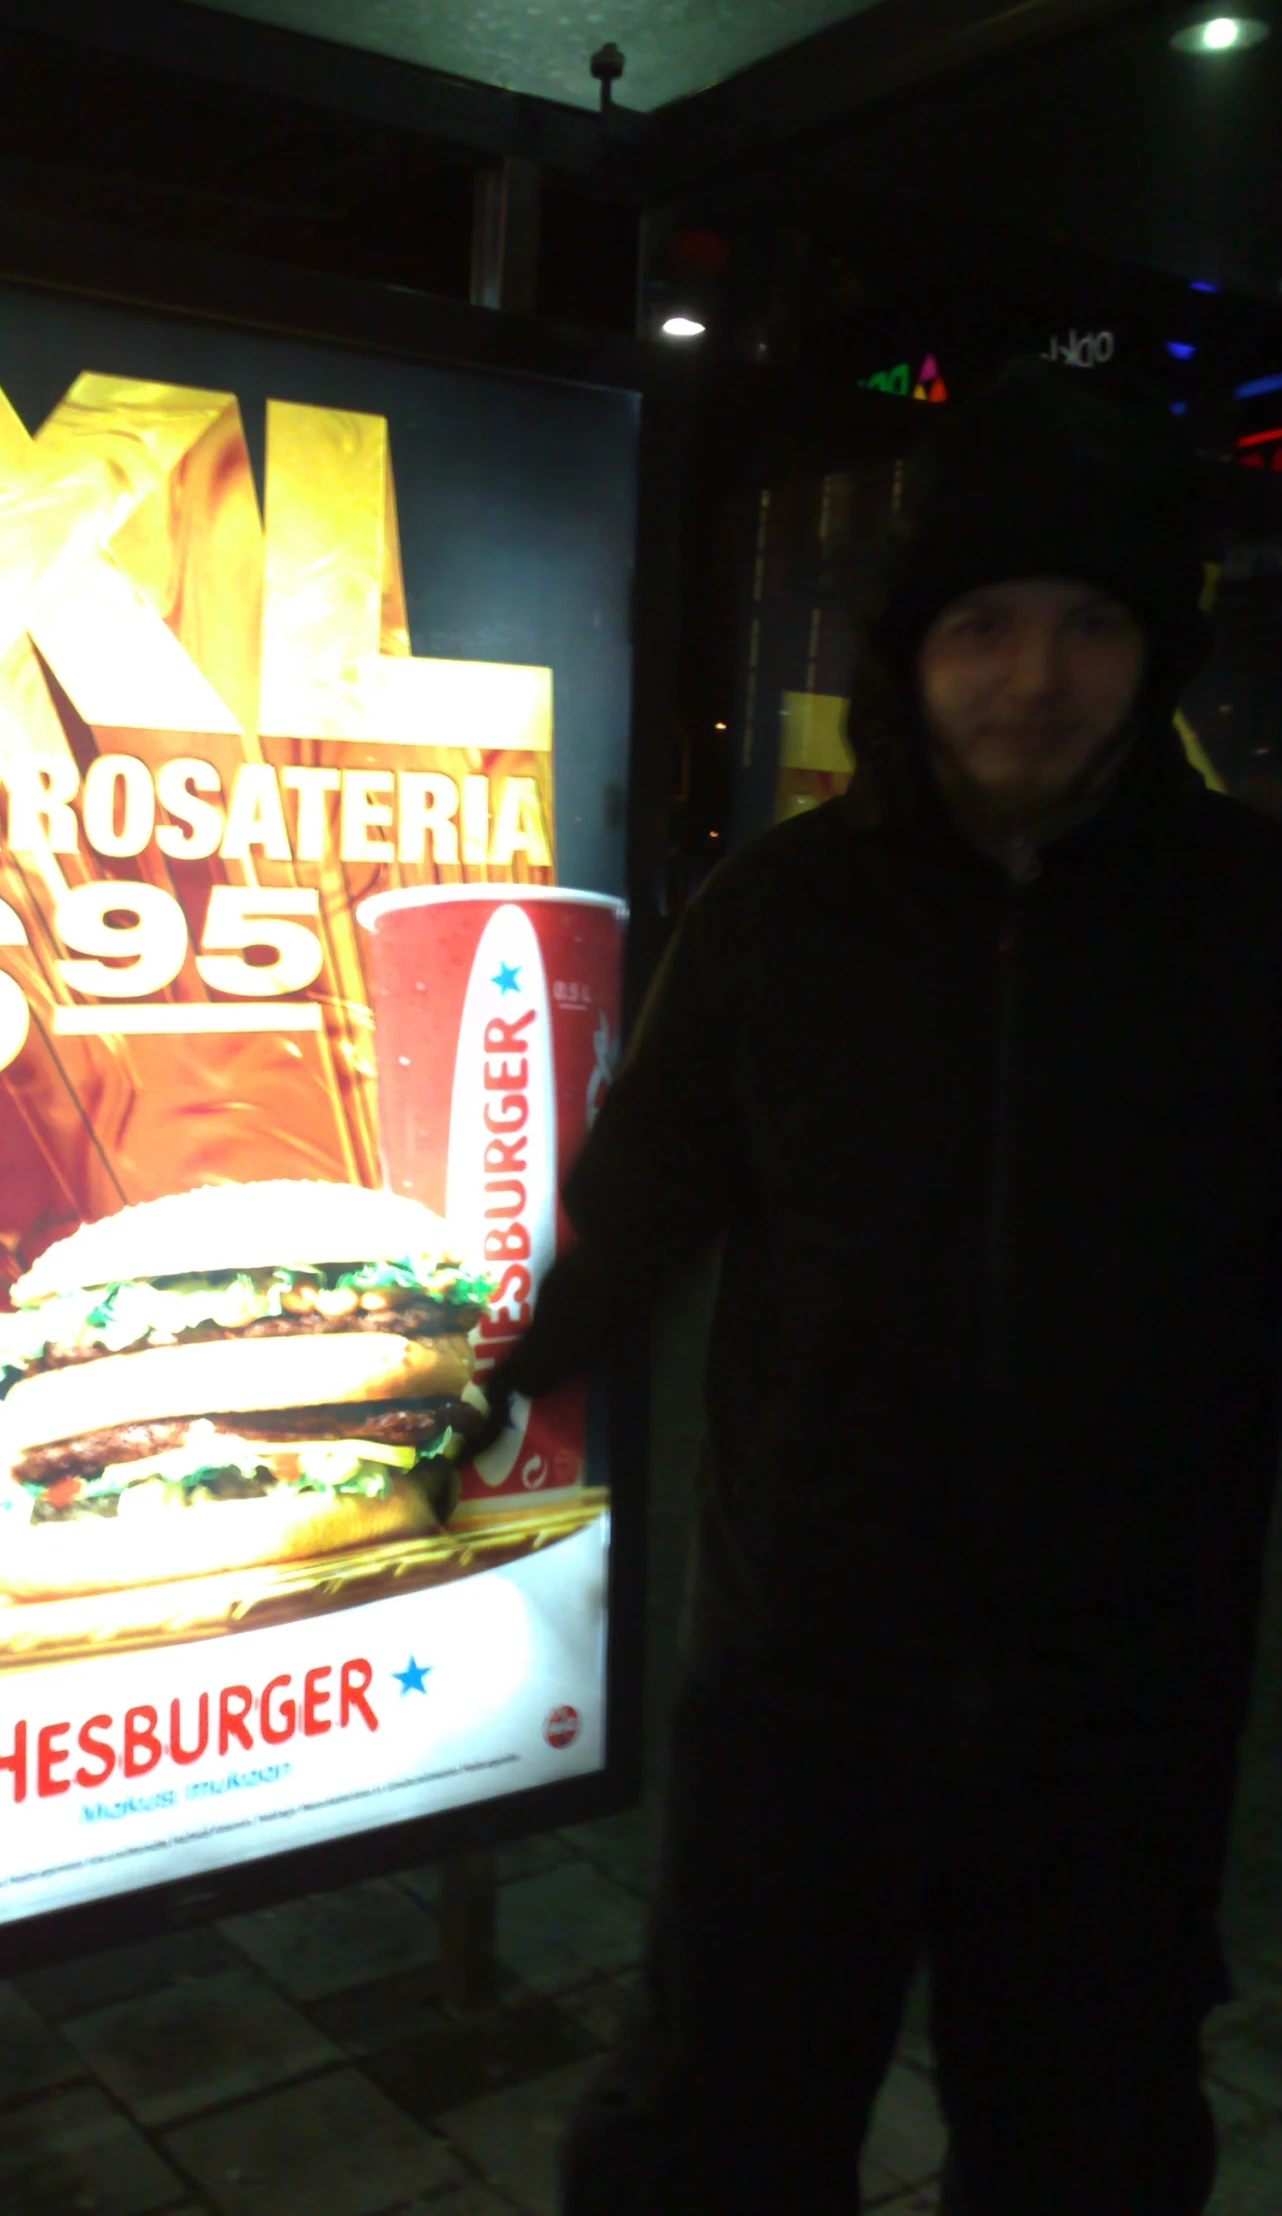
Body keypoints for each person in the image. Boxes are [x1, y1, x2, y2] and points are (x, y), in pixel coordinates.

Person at [479, 359, 1282, 2215]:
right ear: (908, 651)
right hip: (804, 1673)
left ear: (1153, 653)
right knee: (717, 2128)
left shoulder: (1253, 915)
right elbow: (647, 1192)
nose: (1033, 677)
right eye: (985, 621)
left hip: (1127, 1691)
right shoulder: (776, 916)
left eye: (1090, 624)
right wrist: (494, 1382)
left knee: (1089, 2138)